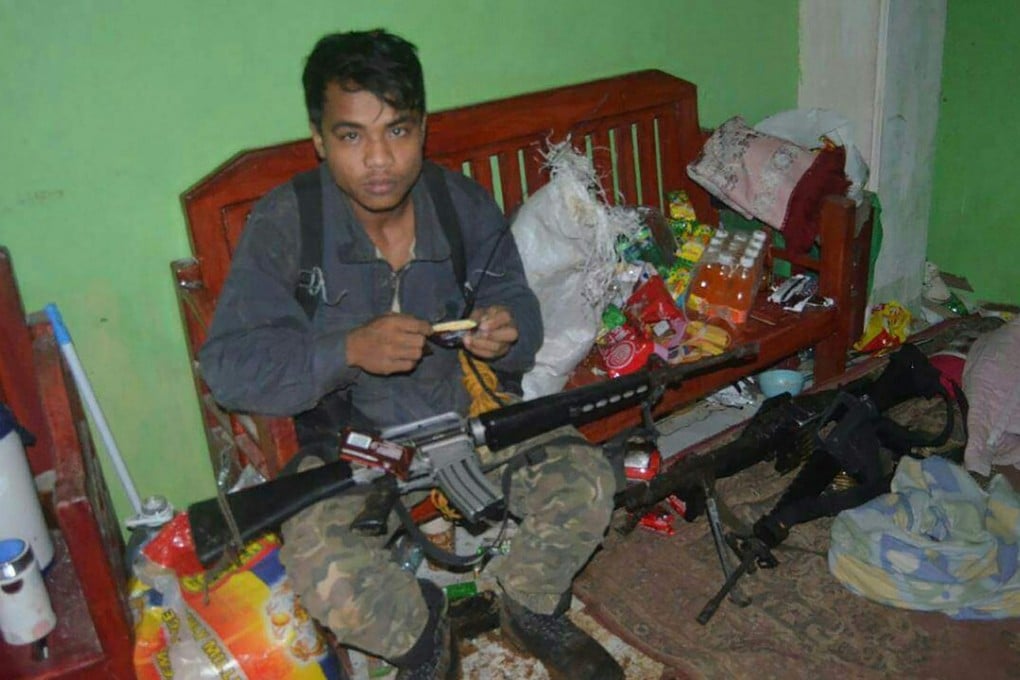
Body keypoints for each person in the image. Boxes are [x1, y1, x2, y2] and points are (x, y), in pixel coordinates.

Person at [198, 29, 622, 679]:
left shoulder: (460, 205)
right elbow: (228, 367)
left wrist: (507, 331)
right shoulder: (288, 223)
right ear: (318, 138)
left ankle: (528, 603)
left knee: (587, 479)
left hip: (467, 415)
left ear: (422, 129)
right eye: (351, 136)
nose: (378, 161)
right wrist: (345, 351)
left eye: (396, 131)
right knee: (321, 562)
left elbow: (518, 305)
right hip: (350, 444)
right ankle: (421, 637)